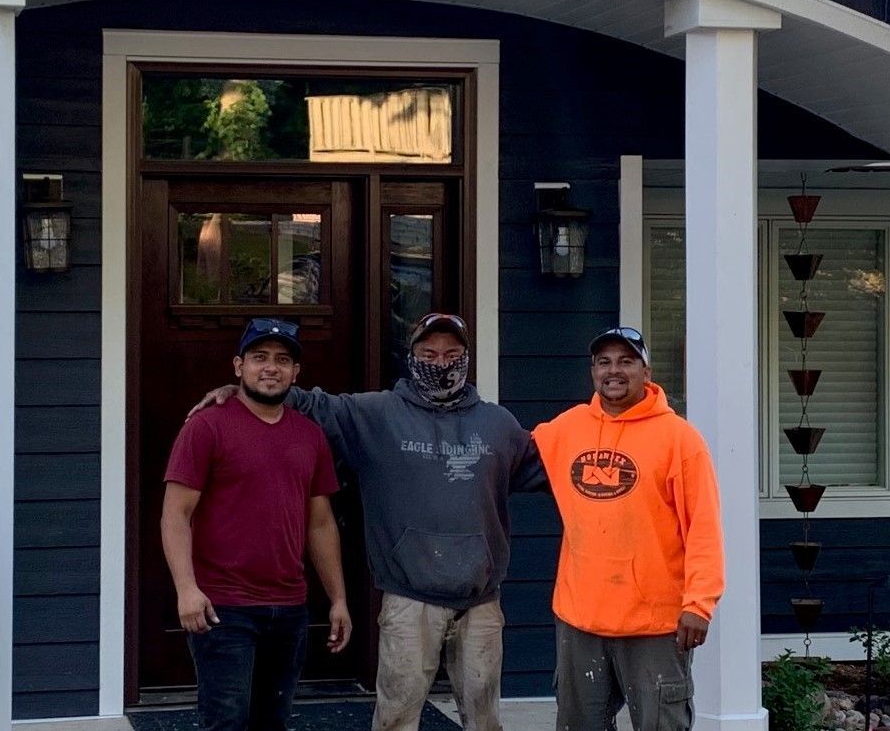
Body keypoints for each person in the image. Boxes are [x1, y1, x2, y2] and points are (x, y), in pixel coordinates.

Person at [193, 311, 544, 731]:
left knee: (484, 721)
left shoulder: (499, 424)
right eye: (429, 354)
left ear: (466, 359)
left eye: (452, 354)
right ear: (411, 357)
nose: (441, 362)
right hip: (408, 596)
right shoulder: (374, 414)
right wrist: (241, 391)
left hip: (482, 599)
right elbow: (306, 401)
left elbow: (558, 468)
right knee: (396, 719)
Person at [162, 317, 351, 731]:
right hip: (222, 608)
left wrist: (337, 598)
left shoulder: (310, 435)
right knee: (227, 722)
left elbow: (320, 523)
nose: (271, 367)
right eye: (259, 357)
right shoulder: (206, 427)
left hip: (288, 608)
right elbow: (175, 515)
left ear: (295, 373)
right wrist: (186, 589)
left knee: (273, 722)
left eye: (283, 360)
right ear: (238, 365)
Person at [531, 327, 725, 731]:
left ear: (646, 372)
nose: (613, 371)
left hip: (653, 623)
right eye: (604, 362)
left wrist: (699, 603)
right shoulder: (567, 428)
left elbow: (704, 526)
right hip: (579, 617)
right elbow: (503, 455)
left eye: (626, 361)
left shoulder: (680, 440)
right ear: (593, 372)